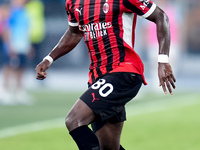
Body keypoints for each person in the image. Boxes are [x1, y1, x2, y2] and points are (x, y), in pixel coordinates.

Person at [35, 0, 176, 149]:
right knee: (108, 146)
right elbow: (74, 33)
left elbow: (161, 16)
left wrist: (163, 61)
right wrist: (49, 59)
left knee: (74, 120)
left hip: (123, 72)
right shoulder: (73, 2)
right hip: (98, 77)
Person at [0, 0, 32, 105]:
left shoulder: (24, 11)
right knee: (9, 67)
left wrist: (28, 45)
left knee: (21, 68)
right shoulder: (9, 11)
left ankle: (19, 91)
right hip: (12, 44)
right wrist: (9, 45)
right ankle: (4, 90)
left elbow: (26, 29)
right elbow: (6, 28)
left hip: (22, 44)